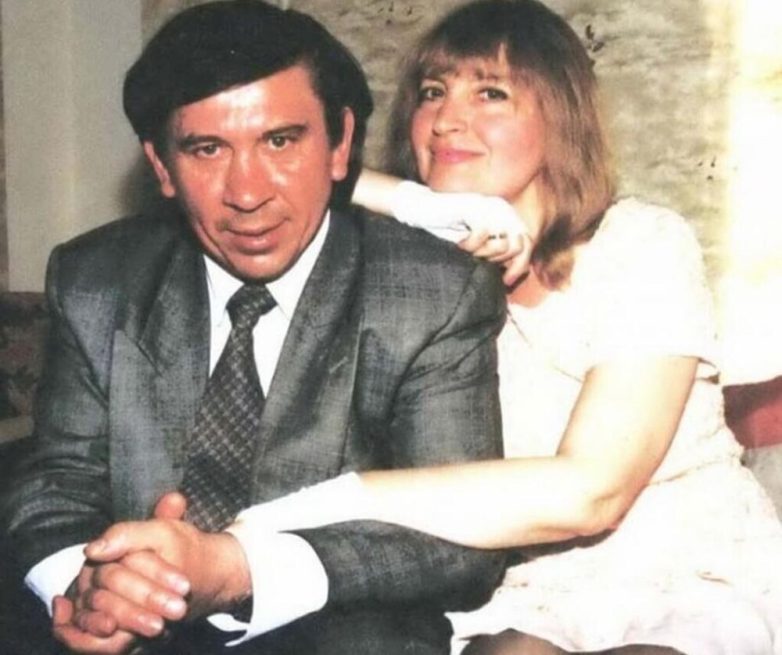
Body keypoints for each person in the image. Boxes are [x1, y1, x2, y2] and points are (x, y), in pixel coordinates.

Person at [108, 0, 781, 653]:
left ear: (561, 116)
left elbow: (591, 491)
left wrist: (307, 509)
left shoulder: (641, 243)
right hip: (528, 588)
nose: (446, 120)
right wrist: (414, 203)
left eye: (490, 93)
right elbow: (288, 176)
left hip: (686, 571)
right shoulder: (417, 281)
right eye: (432, 92)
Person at [0, 2, 510, 654]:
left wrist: (241, 569)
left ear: (340, 145)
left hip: (338, 629)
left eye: (280, 141)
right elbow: (57, 482)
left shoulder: (433, 293)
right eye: (207, 149)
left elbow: (462, 541)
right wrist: (88, 585)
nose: (247, 193)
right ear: (161, 167)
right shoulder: (97, 280)